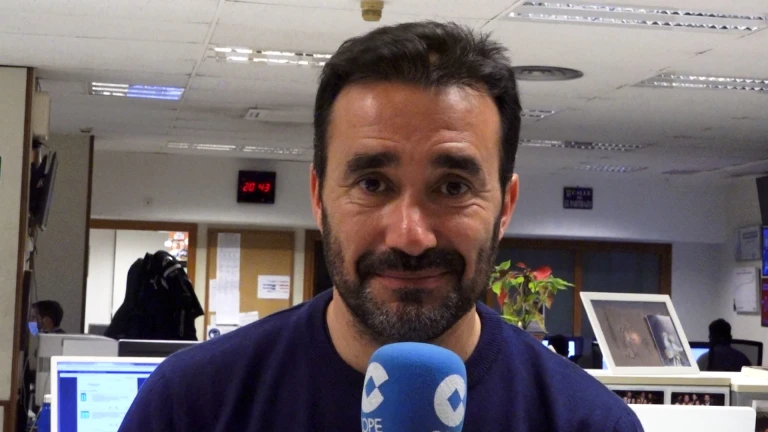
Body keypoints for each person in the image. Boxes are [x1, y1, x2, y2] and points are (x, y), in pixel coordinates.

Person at [118, 21, 641, 431]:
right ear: (319, 197)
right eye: (372, 184)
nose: (410, 236)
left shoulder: (589, 423)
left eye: (453, 187)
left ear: (505, 205)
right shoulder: (191, 406)